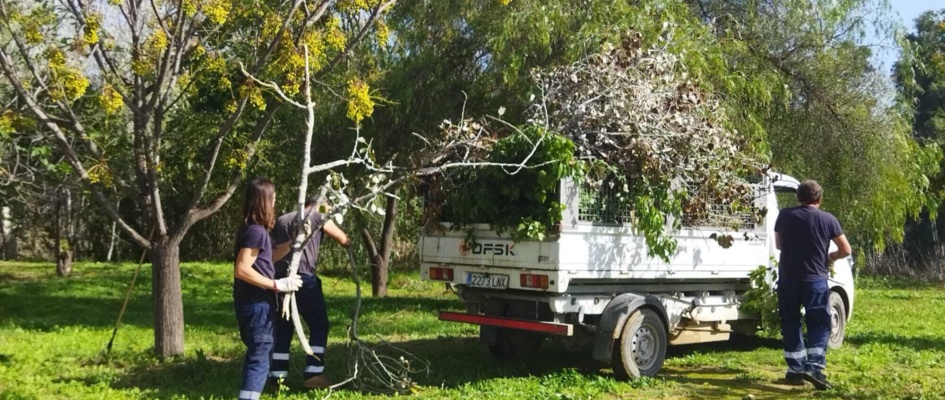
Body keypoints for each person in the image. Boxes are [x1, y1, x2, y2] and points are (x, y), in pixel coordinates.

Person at [774, 180, 851, 390]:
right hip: (815, 279)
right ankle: (814, 366)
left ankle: (794, 371)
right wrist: (831, 257)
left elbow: (779, 244)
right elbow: (846, 249)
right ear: (819, 198)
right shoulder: (828, 219)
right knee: (818, 322)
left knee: (790, 322)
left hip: (788, 278)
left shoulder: (784, 216)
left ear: (798, 197)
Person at [268, 196, 351, 390]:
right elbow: (341, 238)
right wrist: (349, 243)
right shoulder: (318, 214)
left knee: (283, 327)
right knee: (319, 324)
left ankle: (277, 376)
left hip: (280, 279)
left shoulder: (283, 219)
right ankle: (314, 372)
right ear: (320, 204)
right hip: (304, 278)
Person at [233, 178, 303, 400]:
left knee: (259, 354)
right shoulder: (255, 231)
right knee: (260, 357)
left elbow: (267, 258)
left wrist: (294, 243)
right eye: (273, 197)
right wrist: (276, 284)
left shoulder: (256, 231)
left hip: (257, 304)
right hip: (256, 305)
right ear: (264, 201)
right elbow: (242, 269)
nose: (275, 201)